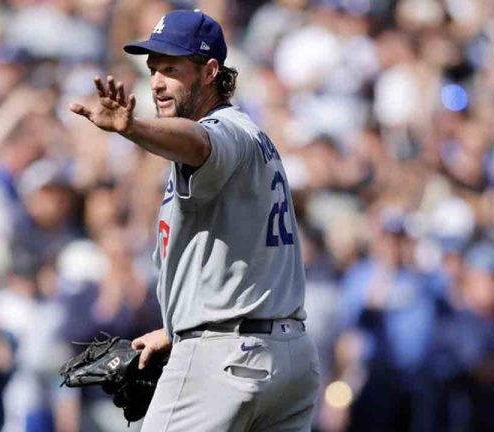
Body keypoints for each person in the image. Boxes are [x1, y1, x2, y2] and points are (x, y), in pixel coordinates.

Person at [69, 9, 320, 431]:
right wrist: (175, 329)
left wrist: (132, 128)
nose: (158, 83)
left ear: (210, 71)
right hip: (287, 357)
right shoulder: (256, 138)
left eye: (172, 69)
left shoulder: (223, 131)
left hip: (226, 358)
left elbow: (200, 142)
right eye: (153, 70)